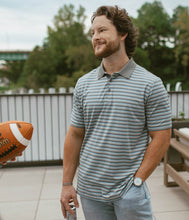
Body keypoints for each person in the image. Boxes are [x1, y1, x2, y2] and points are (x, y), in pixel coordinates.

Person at [60, 5, 172, 220]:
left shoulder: (150, 84)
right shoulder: (84, 84)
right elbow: (75, 134)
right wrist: (67, 184)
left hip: (129, 193)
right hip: (90, 193)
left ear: (123, 33)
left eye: (102, 30)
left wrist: (137, 182)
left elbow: (162, 137)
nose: (95, 37)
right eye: (93, 33)